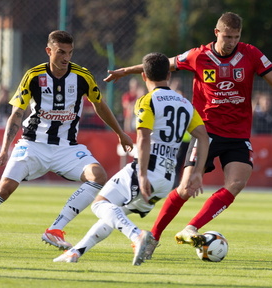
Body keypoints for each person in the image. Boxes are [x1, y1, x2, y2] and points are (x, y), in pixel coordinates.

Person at [104, 12, 272, 258]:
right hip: (205, 132)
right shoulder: (199, 55)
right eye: (227, 36)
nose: (231, 41)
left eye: (236, 37)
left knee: (237, 183)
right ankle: (152, 237)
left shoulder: (251, 54)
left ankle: (191, 228)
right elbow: (163, 64)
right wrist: (126, 71)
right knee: (186, 188)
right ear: (216, 32)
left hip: (238, 134)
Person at [0, 30, 133, 252]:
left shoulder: (82, 76)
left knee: (98, 176)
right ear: (49, 51)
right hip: (33, 144)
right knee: (4, 188)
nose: (66, 58)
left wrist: (120, 133)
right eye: (61, 52)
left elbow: (100, 105)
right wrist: (5, 150)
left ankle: (55, 229)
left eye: (70, 53)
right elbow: (16, 113)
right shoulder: (34, 76)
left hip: (67, 148)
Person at [52, 52, 209, 265]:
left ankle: (137, 236)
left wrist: (142, 175)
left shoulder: (147, 100)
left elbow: (143, 137)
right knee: (114, 214)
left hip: (147, 170)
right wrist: (198, 172)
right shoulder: (185, 104)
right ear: (169, 76)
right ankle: (75, 252)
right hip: (167, 179)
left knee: (99, 205)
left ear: (144, 76)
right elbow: (203, 137)